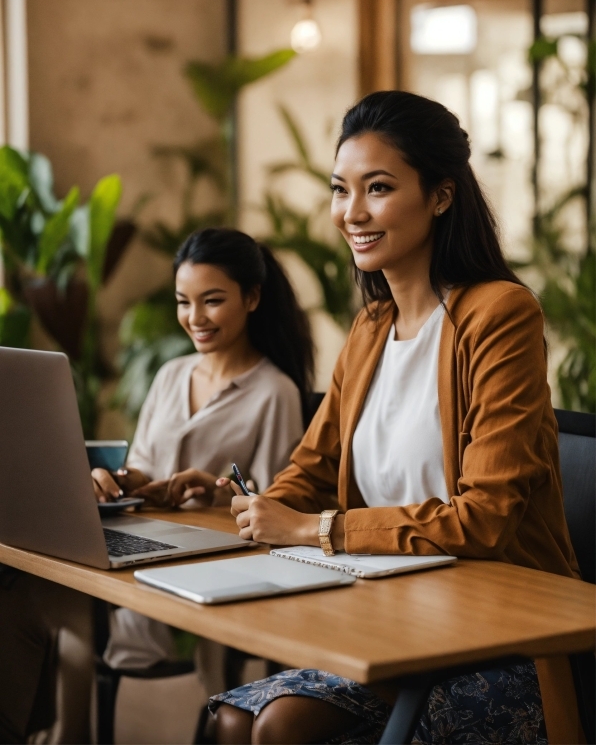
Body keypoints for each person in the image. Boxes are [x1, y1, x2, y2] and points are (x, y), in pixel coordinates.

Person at [208, 91, 583, 745]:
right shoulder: (371, 326)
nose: (352, 213)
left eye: (377, 188)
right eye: (340, 190)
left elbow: (485, 517)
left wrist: (317, 528)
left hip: (506, 636)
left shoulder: (500, 315)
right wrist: (248, 503)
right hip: (392, 615)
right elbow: (312, 470)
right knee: (234, 719)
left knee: (280, 726)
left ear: (440, 196)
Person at [91, 228, 314, 682]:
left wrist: (214, 493)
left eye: (212, 300)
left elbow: (278, 505)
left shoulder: (275, 392)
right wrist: (117, 479)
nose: (195, 317)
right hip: (147, 542)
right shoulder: (171, 375)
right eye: (183, 301)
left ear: (252, 298)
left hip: (217, 564)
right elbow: (146, 467)